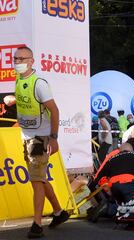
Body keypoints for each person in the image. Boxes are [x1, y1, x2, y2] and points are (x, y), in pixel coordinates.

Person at [9, 46, 69, 238]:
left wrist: (54, 137)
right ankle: (59, 212)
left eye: (22, 59)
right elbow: (29, 101)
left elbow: (54, 110)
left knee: (36, 181)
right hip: (26, 136)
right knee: (40, 178)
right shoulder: (19, 79)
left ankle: (37, 225)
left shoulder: (39, 83)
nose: (18, 62)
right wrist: (14, 100)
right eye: (16, 59)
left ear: (32, 61)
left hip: (40, 139)